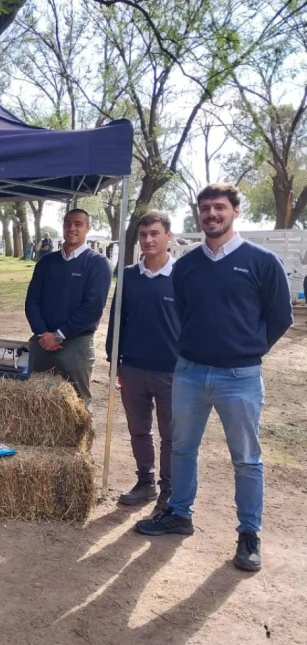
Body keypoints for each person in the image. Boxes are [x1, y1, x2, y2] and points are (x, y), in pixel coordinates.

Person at [136, 184, 293, 573]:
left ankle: (249, 534)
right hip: (189, 372)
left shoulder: (262, 261)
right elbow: (187, 313)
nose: (211, 215)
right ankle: (179, 514)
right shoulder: (187, 267)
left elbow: (281, 318)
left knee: (246, 459)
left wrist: (247, 349)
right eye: (205, 209)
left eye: (219, 208)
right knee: (183, 449)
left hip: (240, 376)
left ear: (235, 212)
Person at [106, 212, 179, 511]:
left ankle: (170, 490)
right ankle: (145, 482)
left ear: (168, 236)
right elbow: (115, 323)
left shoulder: (183, 275)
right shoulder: (128, 276)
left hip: (173, 372)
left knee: (172, 437)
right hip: (133, 369)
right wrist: (115, 363)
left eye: (155, 233)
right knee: (139, 431)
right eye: (143, 234)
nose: (148, 239)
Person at [24, 209, 111, 410]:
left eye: (78, 224)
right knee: (33, 399)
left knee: (78, 404)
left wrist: (60, 335)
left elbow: (93, 307)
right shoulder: (46, 262)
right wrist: (42, 333)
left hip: (76, 343)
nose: (72, 228)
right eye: (67, 223)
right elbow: (32, 301)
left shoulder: (97, 263)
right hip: (41, 341)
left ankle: (82, 442)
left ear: (87, 228)